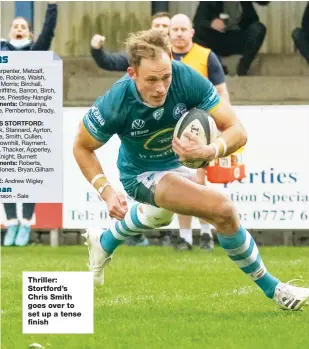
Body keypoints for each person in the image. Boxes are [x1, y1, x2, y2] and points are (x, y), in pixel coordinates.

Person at [73, 29, 309, 311]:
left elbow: (237, 130)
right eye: (151, 80)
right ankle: (276, 290)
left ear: (172, 60)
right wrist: (107, 192)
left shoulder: (185, 79)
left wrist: (212, 150)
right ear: (132, 73)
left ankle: (105, 239)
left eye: (165, 76)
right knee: (222, 209)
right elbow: (81, 147)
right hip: (140, 174)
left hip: (178, 163)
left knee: (160, 216)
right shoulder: (115, 103)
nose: (160, 87)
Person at [170, 13, 230, 251]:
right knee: (181, 184)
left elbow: (222, 94)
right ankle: (185, 237)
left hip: (204, 130)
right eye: (175, 29)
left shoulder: (206, 56)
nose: (179, 33)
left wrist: (223, 125)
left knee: (200, 183)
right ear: (169, 33)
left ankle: (205, 234)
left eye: (183, 29)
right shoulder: (164, 58)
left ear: (192, 32)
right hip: (174, 131)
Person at [192, 1, 269, 76]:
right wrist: (211, 23)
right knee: (196, 32)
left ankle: (243, 66)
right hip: (217, 39)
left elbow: (264, 2)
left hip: (239, 37)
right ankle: (218, 67)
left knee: (258, 28)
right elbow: (198, 21)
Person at [91, 12, 170, 71]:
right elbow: (108, 62)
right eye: (156, 26)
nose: (160, 29)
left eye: (165, 26)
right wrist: (96, 50)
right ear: (150, 28)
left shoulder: (179, 52)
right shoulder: (140, 52)